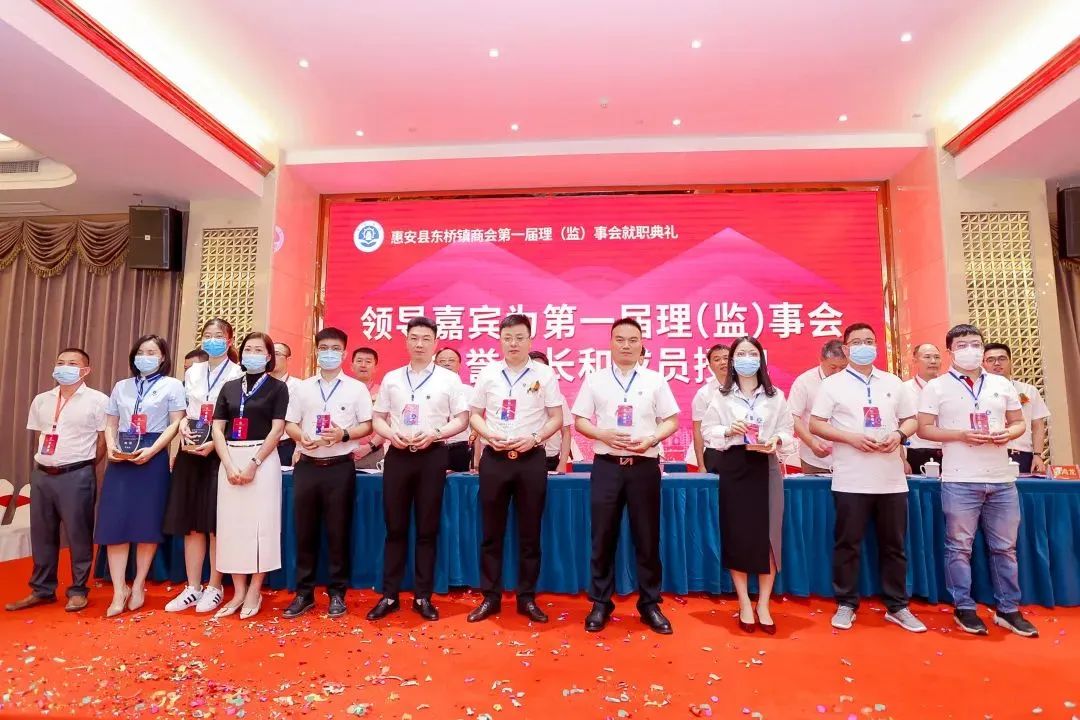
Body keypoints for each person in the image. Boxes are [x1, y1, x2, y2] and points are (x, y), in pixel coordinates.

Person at [917, 324, 1037, 637]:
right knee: (959, 547)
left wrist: (1007, 434)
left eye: (975, 344)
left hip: (1001, 479)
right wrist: (961, 434)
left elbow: (1018, 423)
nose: (970, 350)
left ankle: (1008, 608)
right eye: (962, 345)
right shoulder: (937, 387)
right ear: (950, 351)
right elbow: (924, 429)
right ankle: (964, 607)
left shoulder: (1001, 383)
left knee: (1005, 548)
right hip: (960, 479)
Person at [809, 323, 926, 633]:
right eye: (857, 342)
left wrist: (899, 435)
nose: (864, 346)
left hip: (891, 479)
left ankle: (897, 606)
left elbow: (911, 419)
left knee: (894, 545)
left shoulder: (893, 382)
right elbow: (816, 424)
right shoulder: (832, 385)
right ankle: (846, 603)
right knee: (848, 544)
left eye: (869, 341)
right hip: (851, 478)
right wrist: (850, 438)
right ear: (846, 349)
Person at [572, 318, 680, 634]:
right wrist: (602, 433)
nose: (626, 345)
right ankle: (600, 602)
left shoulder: (655, 380)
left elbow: (671, 420)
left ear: (642, 343)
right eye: (620, 339)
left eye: (633, 340)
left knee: (647, 537)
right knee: (602, 536)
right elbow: (580, 420)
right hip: (607, 466)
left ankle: (650, 604)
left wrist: (652, 438)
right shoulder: (595, 380)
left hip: (643, 466)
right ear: (610, 343)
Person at [367, 317, 470, 622]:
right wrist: (390, 434)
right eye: (414, 338)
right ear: (406, 342)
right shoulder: (392, 378)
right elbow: (378, 418)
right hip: (398, 456)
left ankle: (423, 596)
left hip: (432, 455)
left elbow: (462, 419)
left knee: (427, 528)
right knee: (395, 527)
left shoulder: (449, 380)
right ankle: (389, 595)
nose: (420, 344)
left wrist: (436, 433)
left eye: (426, 339)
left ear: (435, 343)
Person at [466, 316, 564, 623]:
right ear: (500, 340)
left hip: (530, 459)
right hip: (495, 459)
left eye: (520, 337)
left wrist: (535, 438)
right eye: (507, 337)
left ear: (530, 340)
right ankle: (490, 597)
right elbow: (474, 414)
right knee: (491, 532)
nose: (513, 343)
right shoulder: (488, 373)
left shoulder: (544, 374)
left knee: (530, 533)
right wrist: (487, 433)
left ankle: (526, 598)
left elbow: (556, 417)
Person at [699, 336, 792, 634]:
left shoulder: (775, 395)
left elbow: (788, 432)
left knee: (769, 536)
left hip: (767, 465)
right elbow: (708, 430)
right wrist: (728, 430)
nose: (747, 359)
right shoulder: (721, 396)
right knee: (737, 535)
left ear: (761, 359)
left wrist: (777, 439)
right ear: (733, 361)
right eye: (741, 354)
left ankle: (763, 603)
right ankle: (743, 602)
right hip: (735, 466)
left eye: (753, 353)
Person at [6, 348, 108, 613]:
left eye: (72, 364)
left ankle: (78, 590)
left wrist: (83, 466)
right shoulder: (42, 400)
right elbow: (40, 436)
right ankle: (42, 590)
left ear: (86, 370)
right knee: (42, 535)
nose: (64, 367)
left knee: (79, 534)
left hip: (77, 475)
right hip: (42, 475)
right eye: (60, 362)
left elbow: (103, 441)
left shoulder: (98, 400)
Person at [282, 327, 373, 619]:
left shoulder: (356, 389)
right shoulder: (302, 388)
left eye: (335, 348)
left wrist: (343, 434)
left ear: (344, 353)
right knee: (304, 532)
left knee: (338, 532)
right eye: (324, 348)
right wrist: (301, 437)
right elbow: (290, 423)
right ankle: (304, 593)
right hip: (307, 466)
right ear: (317, 351)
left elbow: (367, 425)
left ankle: (337, 593)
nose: (329, 353)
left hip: (339, 468)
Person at [96, 335, 186, 617]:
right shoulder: (121, 386)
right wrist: (111, 447)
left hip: (152, 455)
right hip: (121, 456)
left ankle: (138, 585)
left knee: (147, 524)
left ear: (163, 357)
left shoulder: (172, 385)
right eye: (141, 352)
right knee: (115, 524)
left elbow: (176, 424)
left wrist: (154, 450)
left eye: (152, 352)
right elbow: (111, 422)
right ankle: (118, 589)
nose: (145, 357)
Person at [163, 318, 243, 614]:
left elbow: (239, 416)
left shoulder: (238, 373)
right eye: (207, 335)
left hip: (220, 450)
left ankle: (215, 586)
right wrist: (183, 423)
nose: (212, 340)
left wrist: (217, 443)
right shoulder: (193, 371)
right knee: (192, 523)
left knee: (213, 523)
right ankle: (192, 586)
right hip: (190, 448)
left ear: (229, 340)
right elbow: (187, 409)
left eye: (218, 335)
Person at [211, 332, 290, 620]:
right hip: (230, 458)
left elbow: (277, 429)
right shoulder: (229, 387)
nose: (252, 354)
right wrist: (229, 464)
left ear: (269, 357)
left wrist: (254, 463)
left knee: (261, 526)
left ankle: (255, 589)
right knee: (232, 527)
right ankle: (238, 591)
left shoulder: (278, 388)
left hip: (262, 460)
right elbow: (217, 428)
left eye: (259, 350)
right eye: (248, 349)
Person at [983, 342, 1049, 474]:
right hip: (987, 454)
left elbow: (1037, 425)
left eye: (1002, 358)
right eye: (991, 360)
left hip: (1022, 455)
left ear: (1010, 362)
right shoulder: (977, 393)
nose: (997, 363)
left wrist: (1037, 455)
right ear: (983, 364)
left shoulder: (1028, 390)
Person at [788, 340, 847, 474]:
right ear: (821, 360)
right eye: (833, 367)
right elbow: (793, 416)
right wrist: (812, 442)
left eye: (843, 367)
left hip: (850, 459)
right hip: (814, 459)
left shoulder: (853, 382)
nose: (838, 372)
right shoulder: (804, 382)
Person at [529, 350, 576, 472]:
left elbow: (566, 432)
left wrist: (562, 463)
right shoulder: (520, 397)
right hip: (527, 456)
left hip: (551, 458)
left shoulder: (559, 398)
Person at [903, 343, 943, 474]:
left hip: (949, 452)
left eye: (937, 357)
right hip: (916, 452)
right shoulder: (903, 389)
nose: (933, 361)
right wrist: (902, 459)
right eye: (927, 357)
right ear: (915, 361)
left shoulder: (950, 388)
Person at [689, 344, 729, 471]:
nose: (723, 362)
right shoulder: (703, 394)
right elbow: (698, 431)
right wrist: (701, 465)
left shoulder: (745, 388)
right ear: (710, 366)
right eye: (717, 359)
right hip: (714, 453)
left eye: (726, 358)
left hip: (742, 453)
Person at [434, 347, 473, 472]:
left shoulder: (469, 391)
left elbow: (475, 427)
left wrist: (476, 459)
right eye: (442, 361)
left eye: (451, 360)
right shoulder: (427, 390)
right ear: (434, 364)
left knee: (458, 483)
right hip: (433, 446)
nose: (447, 363)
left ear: (459, 364)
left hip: (460, 448)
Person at [351, 347, 386, 470]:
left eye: (368, 361)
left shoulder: (382, 392)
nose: (363, 365)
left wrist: (369, 447)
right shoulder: (342, 391)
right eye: (359, 361)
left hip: (373, 453)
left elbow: (388, 424)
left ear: (375, 367)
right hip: (344, 451)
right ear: (352, 366)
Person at [271, 342, 303, 467]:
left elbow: (303, 421)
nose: (272, 357)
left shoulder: (299, 386)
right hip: (259, 446)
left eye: (277, 354)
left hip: (285, 446)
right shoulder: (259, 385)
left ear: (288, 359)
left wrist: (299, 448)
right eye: (270, 354)